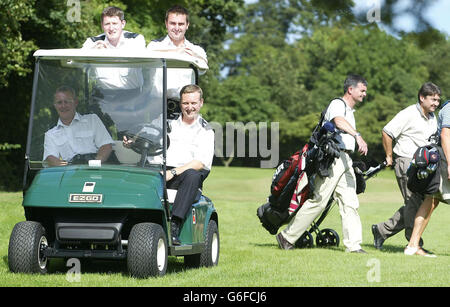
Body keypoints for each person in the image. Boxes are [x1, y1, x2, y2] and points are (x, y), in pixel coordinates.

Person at [276, 74, 369, 253]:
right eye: (362, 90)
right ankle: (286, 237)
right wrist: (357, 136)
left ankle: (353, 246)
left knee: (350, 201)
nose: (365, 94)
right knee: (319, 200)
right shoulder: (338, 104)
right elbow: (338, 121)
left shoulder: (350, 110)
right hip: (332, 158)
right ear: (351, 89)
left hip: (345, 159)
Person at [124, 84, 214, 245]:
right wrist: (133, 141)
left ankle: (175, 225)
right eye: (186, 103)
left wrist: (173, 173)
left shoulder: (205, 130)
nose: (189, 107)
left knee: (193, 175)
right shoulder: (166, 121)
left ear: (201, 103)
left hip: (183, 176)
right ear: (180, 104)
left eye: (193, 103)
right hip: (158, 170)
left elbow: (200, 163)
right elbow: (146, 133)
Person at [371, 82, 441, 251]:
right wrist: (389, 156)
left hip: (423, 166)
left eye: (438, 100)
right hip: (406, 161)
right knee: (413, 202)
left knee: (418, 203)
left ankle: (381, 230)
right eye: (433, 99)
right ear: (422, 98)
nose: (436, 103)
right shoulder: (408, 113)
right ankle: (415, 244)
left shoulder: (433, 117)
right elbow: (387, 132)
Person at [405, 99, 450, 257]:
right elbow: (445, 135)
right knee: (430, 201)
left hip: (443, 163)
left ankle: (412, 246)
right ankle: (412, 245)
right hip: (445, 162)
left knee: (430, 202)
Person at [43, 86, 114, 167]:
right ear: (55, 105)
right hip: (70, 173)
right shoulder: (50, 135)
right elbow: (51, 158)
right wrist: (67, 169)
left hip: (96, 170)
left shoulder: (92, 120)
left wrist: (94, 164)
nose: (63, 106)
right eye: (59, 102)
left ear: (75, 102)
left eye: (67, 102)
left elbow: (106, 146)